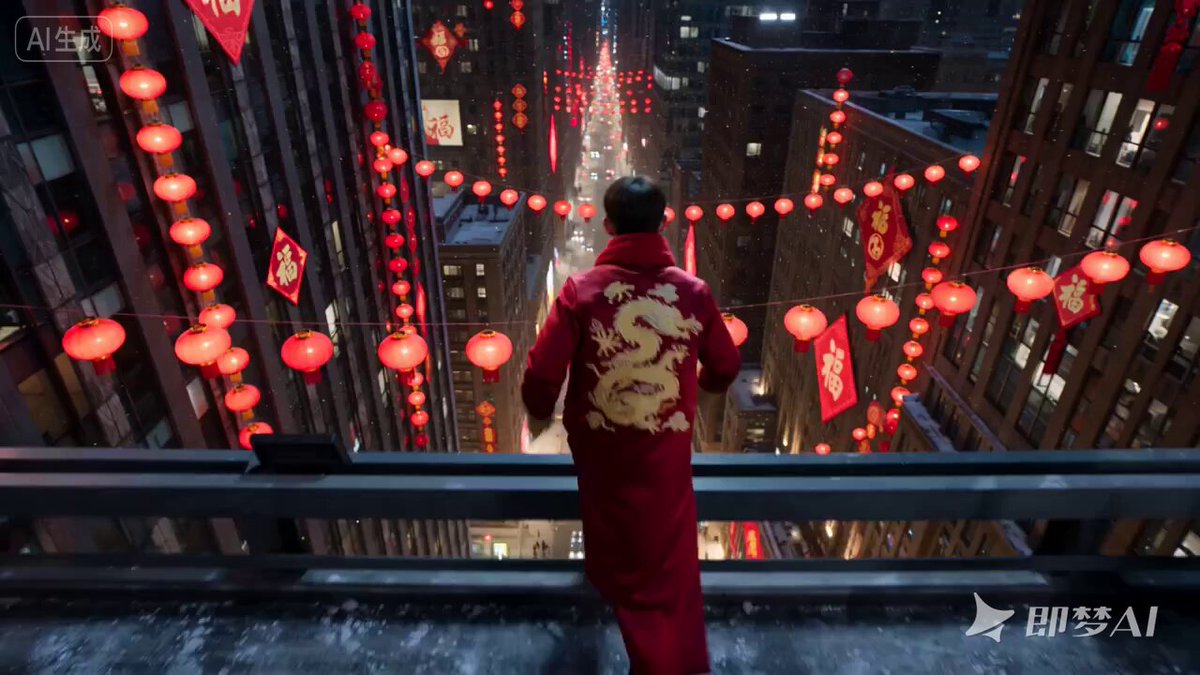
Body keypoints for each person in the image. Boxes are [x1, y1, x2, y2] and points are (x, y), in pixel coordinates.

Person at [522, 177, 742, 674]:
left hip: (603, 451)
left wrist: (539, 412)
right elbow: (727, 366)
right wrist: (696, 388)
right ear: (663, 223)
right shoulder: (693, 293)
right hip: (664, 450)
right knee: (665, 555)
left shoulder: (581, 292)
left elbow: (541, 378)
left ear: (608, 225)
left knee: (612, 540)